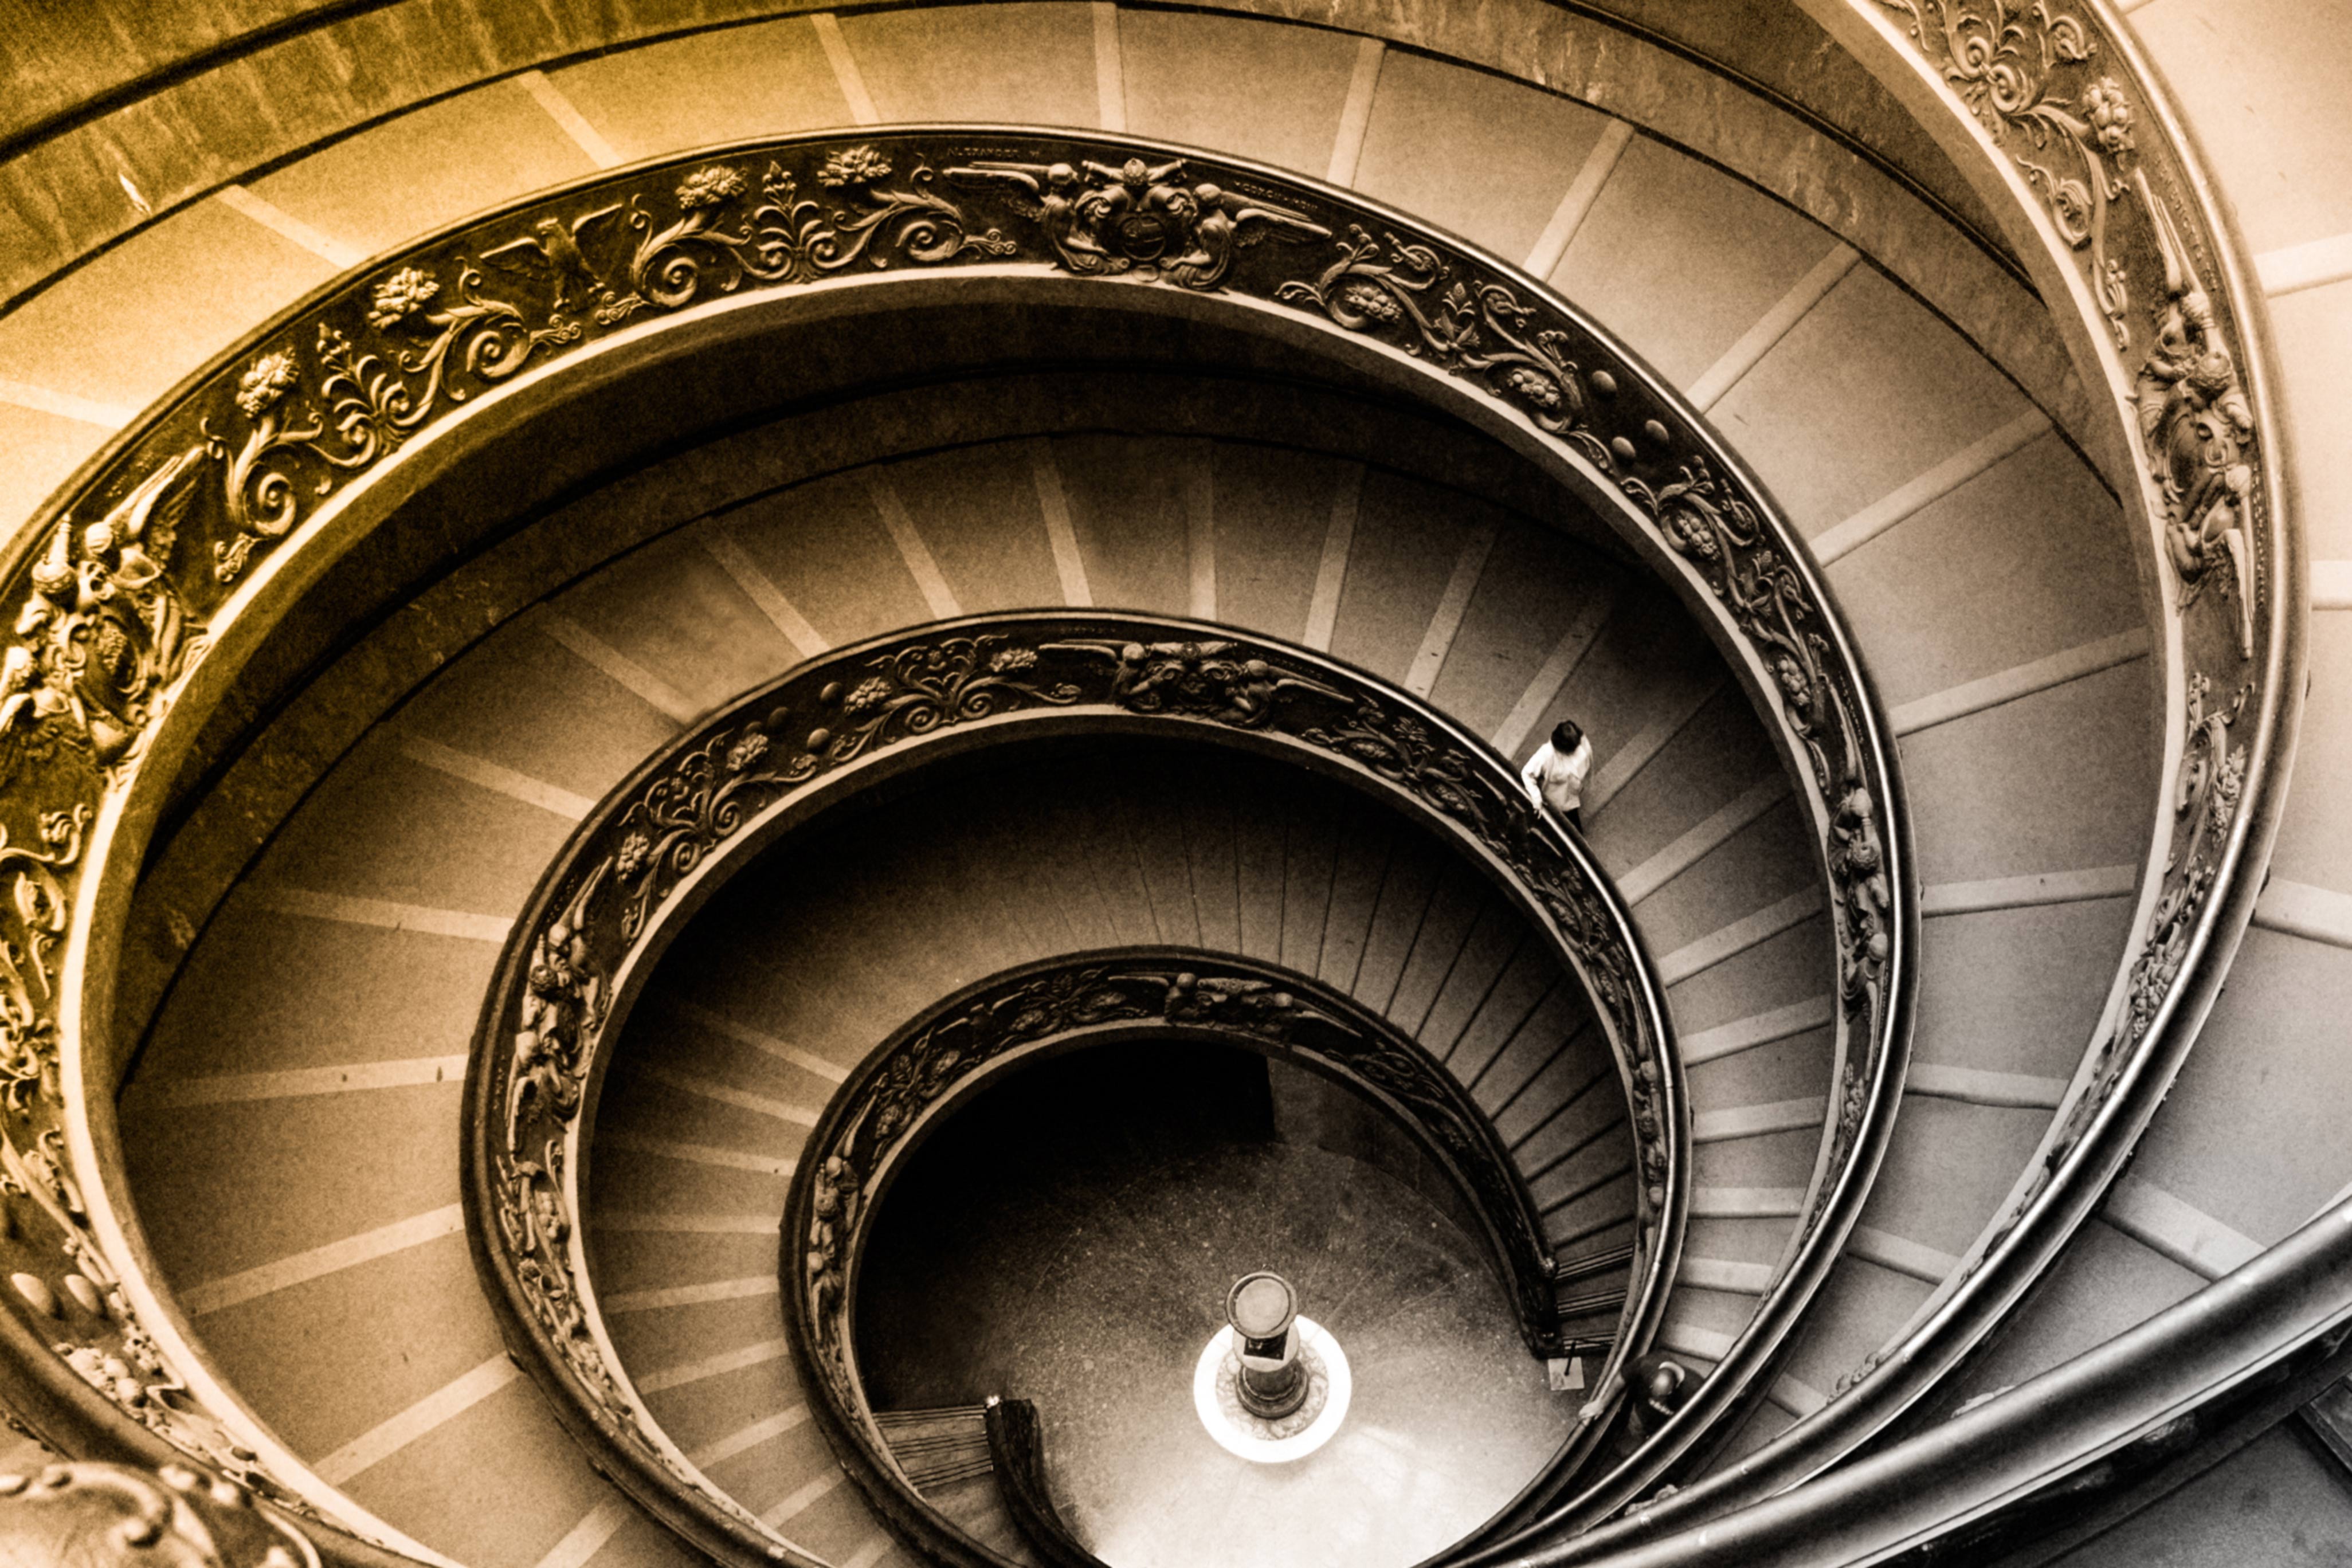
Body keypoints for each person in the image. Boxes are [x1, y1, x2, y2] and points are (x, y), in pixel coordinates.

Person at [1520, 719, 1594, 832]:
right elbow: (1527, 773)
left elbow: (1586, 763)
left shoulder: (1582, 744)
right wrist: (1537, 799)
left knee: (1574, 832)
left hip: (1570, 800)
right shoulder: (1546, 754)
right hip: (1553, 800)